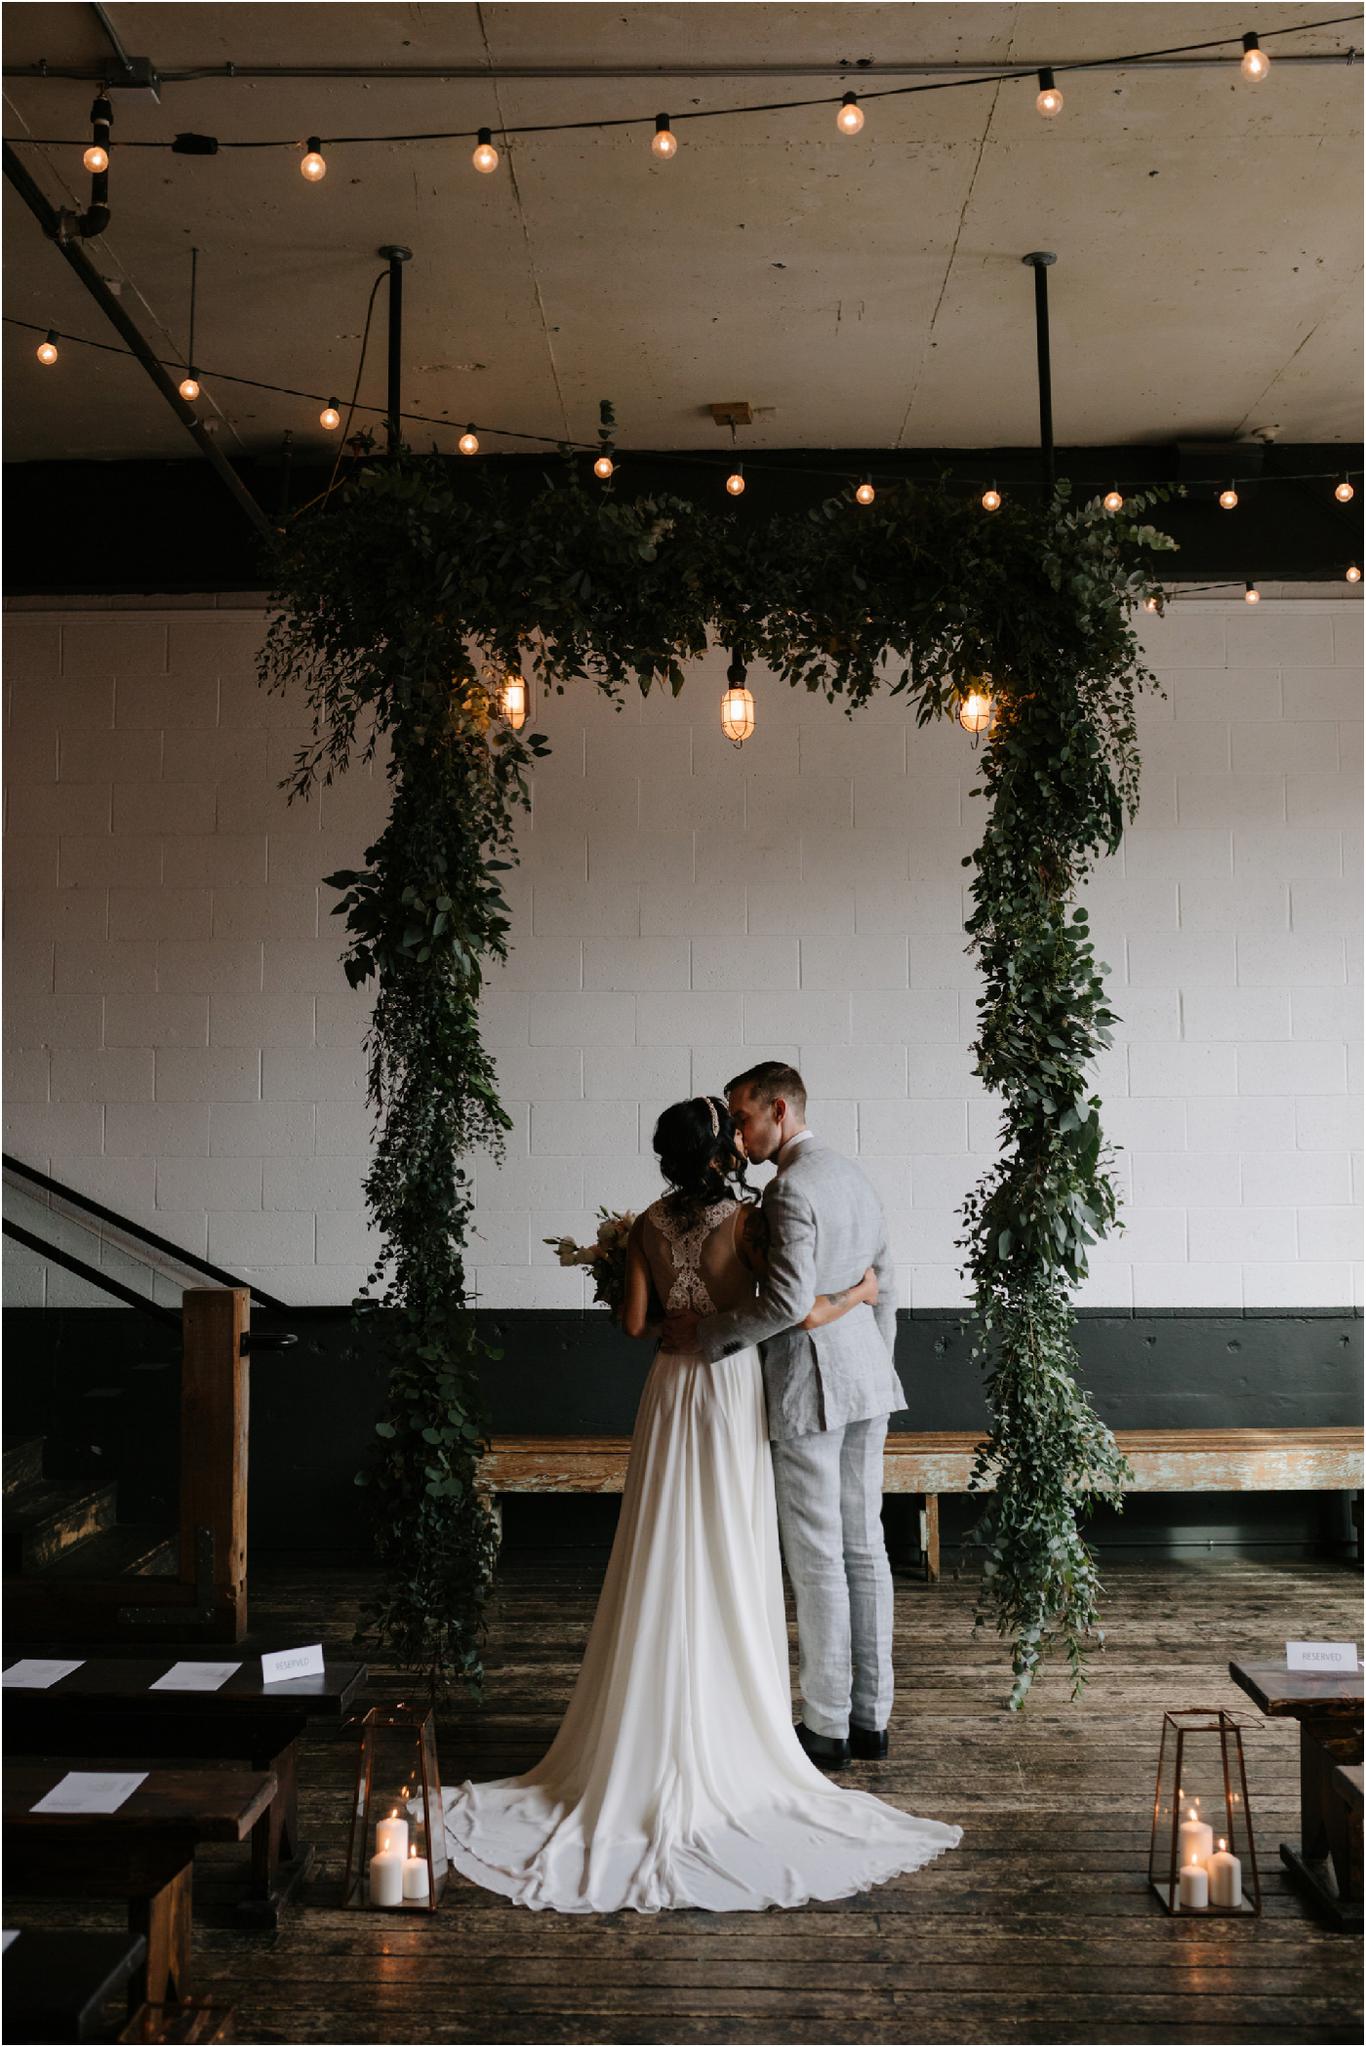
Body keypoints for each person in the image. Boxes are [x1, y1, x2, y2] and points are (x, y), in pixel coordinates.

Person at [441, 1093, 961, 1914]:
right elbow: (787, 1307)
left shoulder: (644, 1226)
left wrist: (661, 1303)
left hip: (669, 1389)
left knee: (662, 1535)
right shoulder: (749, 1221)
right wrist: (858, 1293)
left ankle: (652, 1705)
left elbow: (634, 1324)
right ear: (721, 1152)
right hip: (728, 1387)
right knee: (730, 1540)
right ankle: (749, 1713)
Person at [663, 1062, 905, 1770]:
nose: (737, 1135)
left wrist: (707, 1336)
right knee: (866, 1547)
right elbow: (887, 1283)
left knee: (819, 1555)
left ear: (779, 1110)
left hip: (813, 1386)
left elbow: (787, 1302)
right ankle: (872, 1718)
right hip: (868, 1380)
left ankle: (826, 1725)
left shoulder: (791, 1188)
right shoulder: (854, 1175)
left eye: (742, 1118)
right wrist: (876, 1361)